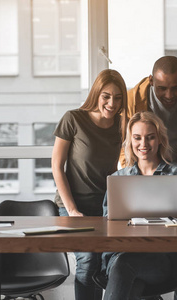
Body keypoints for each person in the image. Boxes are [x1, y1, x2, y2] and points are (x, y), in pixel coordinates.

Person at [101, 111, 177, 300]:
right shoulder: (118, 178)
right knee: (131, 283)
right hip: (122, 253)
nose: (143, 144)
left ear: (160, 139)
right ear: (130, 141)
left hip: (164, 259)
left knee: (125, 266)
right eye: (137, 138)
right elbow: (108, 224)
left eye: (150, 137)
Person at [51, 69, 128, 300]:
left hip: (104, 206)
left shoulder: (121, 125)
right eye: (106, 96)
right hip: (72, 205)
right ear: (96, 94)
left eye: (117, 97)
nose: (111, 103)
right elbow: (57, 166)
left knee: (113, 261)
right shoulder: (73, 119)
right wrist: (73, 210)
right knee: (87, 261)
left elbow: (119, 167)